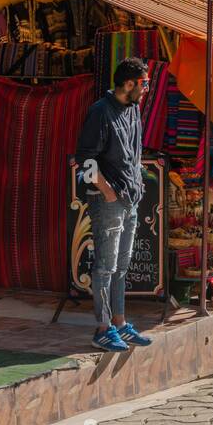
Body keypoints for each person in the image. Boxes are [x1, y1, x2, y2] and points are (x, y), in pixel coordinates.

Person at [73, 57, 153, 353]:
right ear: (129, 83)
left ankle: (120, 322)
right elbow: (85, 159)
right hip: (108, 201)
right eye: (144, 84)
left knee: (121, 265)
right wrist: (107, 192)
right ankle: (103, 328)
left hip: (130, 198)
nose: (146, 89)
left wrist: (138, 183)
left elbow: (134, 150)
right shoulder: (100, 113)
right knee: (105, 267)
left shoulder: (133, 110)